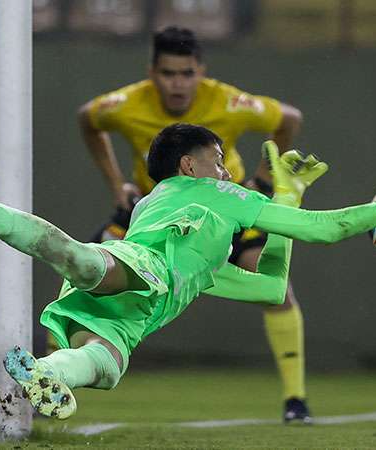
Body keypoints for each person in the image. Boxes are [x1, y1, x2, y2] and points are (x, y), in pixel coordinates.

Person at [0, 124, 376, 420]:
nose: (228, 168)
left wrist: (288, 195)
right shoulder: (216, 196)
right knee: (71, 255)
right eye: (219, 158)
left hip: (151, 298)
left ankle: (47, 374)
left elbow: (272, 285)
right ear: (192, 165)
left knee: (100, 364)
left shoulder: (181, 223)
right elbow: (332, 231)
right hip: (141, 270)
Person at [78, 26, 312, 423]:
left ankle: (296, 400)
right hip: (155, 215)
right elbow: (88, 119)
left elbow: (289, 119)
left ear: (201, 71)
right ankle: (46, 386)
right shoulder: (125, 104)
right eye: (168, 73)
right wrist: (117, 184)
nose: (178, 83)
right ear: (152, 72)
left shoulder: (228, 102)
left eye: (187, 73)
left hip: (224, 210)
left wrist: (263, 179)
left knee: (276, 289)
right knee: (84, 275)